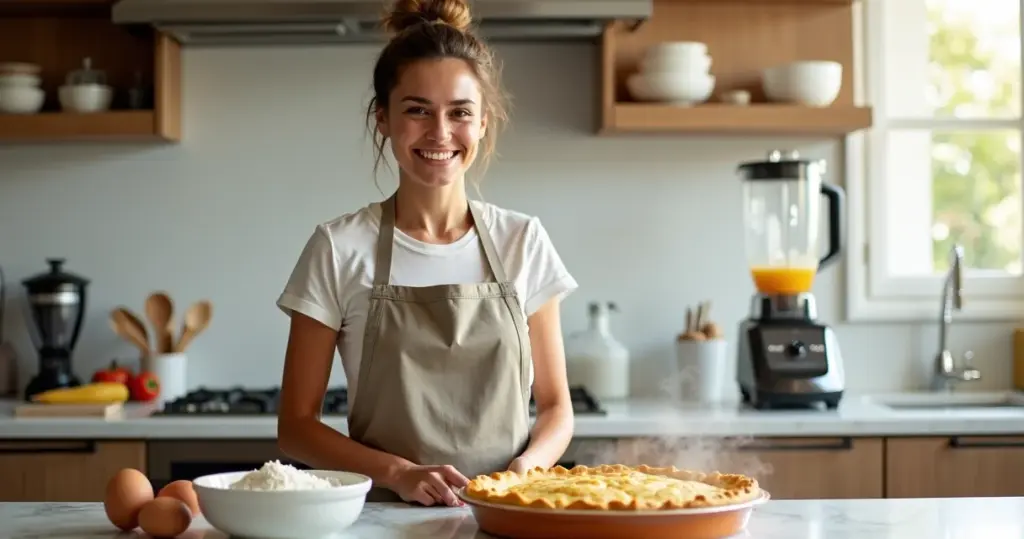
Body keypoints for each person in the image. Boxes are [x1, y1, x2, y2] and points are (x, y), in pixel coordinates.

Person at [274, 0, 578, 507]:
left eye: (460, 112)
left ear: (483, 123)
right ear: (384, 120)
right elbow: (296, 428)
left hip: (507, 512)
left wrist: (526, 470)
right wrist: (399, 474)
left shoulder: (523, 241)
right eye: (417, 110)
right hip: (384, 517)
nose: (440, 133)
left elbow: (555, 408)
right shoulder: (337, 247)